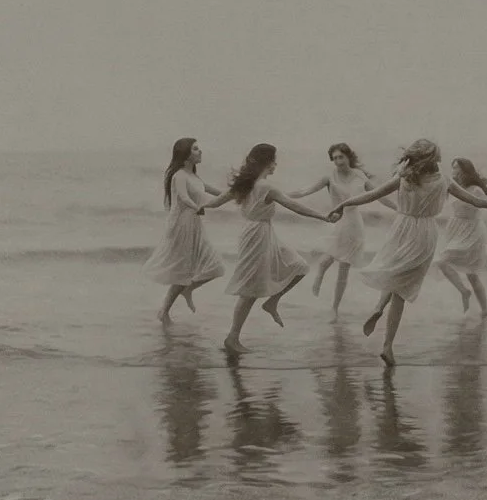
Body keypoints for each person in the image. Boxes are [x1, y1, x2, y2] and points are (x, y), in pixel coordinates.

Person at [327, 139, 487, 365]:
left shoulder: (405, 177)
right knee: (402, 288)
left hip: (400, 228)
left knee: (394, 273)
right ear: (435, 159)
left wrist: (342, 205)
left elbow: (371, 196)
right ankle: (388, 345)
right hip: (424, 232)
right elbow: (476, 201)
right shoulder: (444, 179)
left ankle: (378, 307)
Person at [199, 143, 332, 355]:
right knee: (250, 289)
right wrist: (323, 216)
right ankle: (232, 338)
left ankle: (272, 302)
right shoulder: (265, 187)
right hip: (258, 236)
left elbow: (216, 202)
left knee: (299, 266)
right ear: (266, 162)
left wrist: (197, 206)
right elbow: (294, 206)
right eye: (273, 161)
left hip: (260, 233)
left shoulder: (244, 185)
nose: (275, 165)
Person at [287, 143, 387, 318]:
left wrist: (399, 208)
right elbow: (305, 191)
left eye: (341, 157)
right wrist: (281, 196)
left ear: (348, 157)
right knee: (328, 258)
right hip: (337, 222)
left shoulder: (359, 176)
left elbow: (379, 194)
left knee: (343, 269)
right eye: (334, 158)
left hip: (355, 225)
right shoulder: (329, 177)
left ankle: (334, 308)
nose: (338, 161)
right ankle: (319, 276)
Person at [142, 137, 226, 322]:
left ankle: (186, 291)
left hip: (194, 223)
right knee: (183, 268)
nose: (200, 151)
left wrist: (236, 193)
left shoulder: (194, 176)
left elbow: (214, 191)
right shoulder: (179, 175)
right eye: (196, 149)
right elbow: (183, 197)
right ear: (186, 154)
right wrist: (198, 206)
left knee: (215, 266)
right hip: (182, 224)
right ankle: (164, 312)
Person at [435, 157, 487, 316]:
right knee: (443, 262)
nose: (453, 171)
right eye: (453, 167)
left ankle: (484, 308)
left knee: (470, 273)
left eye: (456, 168)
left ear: (465, 170)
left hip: (472, 230)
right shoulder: (453, 187)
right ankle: (468, 295)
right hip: (455, 228)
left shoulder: (475, 189)